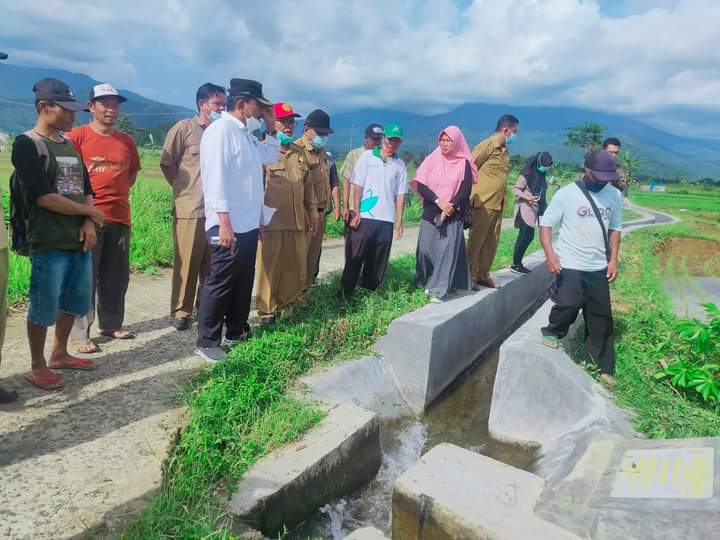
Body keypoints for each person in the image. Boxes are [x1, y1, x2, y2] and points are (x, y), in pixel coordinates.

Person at [11, 78, 104, 390]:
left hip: (78, 240)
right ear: (43, 107)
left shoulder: (70, 145)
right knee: (43, 304)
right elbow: (43, 196)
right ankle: (37, 365)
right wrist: (89, 214)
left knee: (73, 301)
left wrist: (89, 224)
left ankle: (60, 352)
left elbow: (86, 189)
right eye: (64, 110)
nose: (71, 117)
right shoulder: (27, 145)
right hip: (48, 240)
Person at [195, 78, 278, 362]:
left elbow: (270, 156)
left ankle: (236, 330)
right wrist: (224, 222)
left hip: (248, 224)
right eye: (259, 106)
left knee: (243, 281)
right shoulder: (221, 131)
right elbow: (214, 179)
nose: (261, 111)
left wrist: (271, 125)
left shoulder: (246, 134)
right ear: (242, 103)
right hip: (227, 223)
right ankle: (207, 341)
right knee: (220, 281)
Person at [67, 84, 141, 352]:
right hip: (87, 217)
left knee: (116, 276)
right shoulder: (77, 137)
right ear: (91, 106)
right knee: (85, 275)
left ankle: (110, 324)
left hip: (120, 216)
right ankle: (79, 333)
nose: (111, 109)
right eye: (105, 103)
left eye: (115, 104)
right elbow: (68, 178)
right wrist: (85, 211)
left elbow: (131, 174)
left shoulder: (125, 141)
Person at [539, 150, 623, 386]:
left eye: (607, 177)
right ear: (586, 170)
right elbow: (546, 225)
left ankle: (602, 365)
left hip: (598, 265)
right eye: (598, 176)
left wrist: (613, 259)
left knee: (601, 319)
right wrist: (550, 255)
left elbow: (615, 229)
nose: (603, 181)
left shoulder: (614, 195)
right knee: (569, 302)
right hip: (570, 262)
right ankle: (553, 331)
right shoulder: (567, 194)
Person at [161, 83, 226, 331]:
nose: (221, 108)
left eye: (223, 104)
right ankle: (181, 311)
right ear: (202, 104)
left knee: (212, 264)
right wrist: (182, 190)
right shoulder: (184, 129)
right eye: (217, 104)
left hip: (216, 211)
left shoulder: (222, 133)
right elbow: (167, 163)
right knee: (187, 262)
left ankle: (204, 307)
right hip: (190, 208)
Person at [255, 102, 318, 323]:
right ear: (273, 123)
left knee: (294, 264)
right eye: (284, 121)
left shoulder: (299, 153)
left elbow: (308, 187)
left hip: (297, 219)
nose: (289, 126)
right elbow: (255, 186)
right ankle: (266, 309)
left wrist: (313, 213)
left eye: (292, 121)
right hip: (271, 219)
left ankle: (287, 304)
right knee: (269, 265)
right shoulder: (263, 149)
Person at [340, 123, 407, 298]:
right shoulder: (367, 158)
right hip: (365, 217)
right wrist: (357, 212)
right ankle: (345, 295)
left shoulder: (399, 165)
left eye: (397, 141)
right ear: (384, 138)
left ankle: (367, 295)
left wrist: (399, 220)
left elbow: (400, 195)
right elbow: (357, 186)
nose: (393, 144)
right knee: (355, 258)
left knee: (377, 261)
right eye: (391, 139)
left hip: (386, 220)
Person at [413, 126, 477, 302]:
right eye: (442, 140)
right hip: (431, 210)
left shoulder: (464, 163)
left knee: (446, 253)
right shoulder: (432, 158)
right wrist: (438, 201)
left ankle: (439, 289)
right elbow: (421, 184)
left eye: (448, 140)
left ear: (456, 142)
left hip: (453, 214)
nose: (444, 144)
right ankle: (427, 280)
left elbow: (465, 189)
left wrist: (451, 206)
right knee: (425, 249)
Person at [467, 114, 519, 289]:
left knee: (491, 241)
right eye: (514, 132)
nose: (515, 136)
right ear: (505, 130)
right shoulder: (486, 146)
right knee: (477, 240)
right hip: (483, 202)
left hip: (498, 203)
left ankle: (483, 274)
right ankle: (469, 276)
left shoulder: (504, 150)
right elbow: (469, 169)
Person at [295, 109, 335, 300]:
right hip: (303, 214)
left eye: (326, 134)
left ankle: (303, 293)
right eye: (320, 133)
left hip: (320, 214)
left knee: (311, 259)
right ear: (307, 129)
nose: (323, 137)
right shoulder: (297, 151)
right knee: (298, 259)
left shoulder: (322, 154)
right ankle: (290, 297)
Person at [511, 151, 553, 275]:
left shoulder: (541, 175)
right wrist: (527, 197)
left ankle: (517, 263)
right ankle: (516, 264)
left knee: (528, 236)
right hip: (524, 208)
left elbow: (542, 196)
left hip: (534, 210)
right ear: (538, 162)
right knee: (526, 235)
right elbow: (516, 189)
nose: (544, 168)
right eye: (543, 165)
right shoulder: (527, 174)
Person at [340, 123, 384, 223]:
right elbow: (346, 182)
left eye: (380, 139)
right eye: (374, 139)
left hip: (375, 211)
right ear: (366, 138)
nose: (377, 143)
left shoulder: (383, 158)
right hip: (355, 209)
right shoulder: (354, 155)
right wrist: (346, 207)